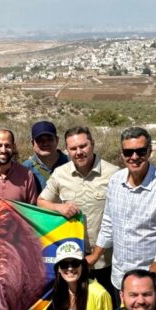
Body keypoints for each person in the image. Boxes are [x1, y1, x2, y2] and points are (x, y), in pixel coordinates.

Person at [86, 126, 156, 310]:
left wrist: (150, 278)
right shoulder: (116, 181)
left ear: (150, 151)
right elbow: (108, 223)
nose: (134, 157)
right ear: (122, 154)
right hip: (120, 279)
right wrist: (94, 256)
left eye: (141, 151)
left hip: (152, 283)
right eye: (128, 152)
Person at [37, 126, 118, 296]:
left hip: (107, 261)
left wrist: (97, 255)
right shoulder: (60, 174)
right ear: (67, 150)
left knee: (108, 306)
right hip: (73, 261)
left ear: (92, 144)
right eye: (73, 148)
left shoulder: (114, 174)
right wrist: (59, 207)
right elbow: (41, 202)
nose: (79, 152)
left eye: (83, 146)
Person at [23, 120, 69, 191]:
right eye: (40, 140)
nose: (45, 143)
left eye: (50, 139)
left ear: (57, 140)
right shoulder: (25, 169)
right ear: (32, 143)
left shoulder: (70, 164)